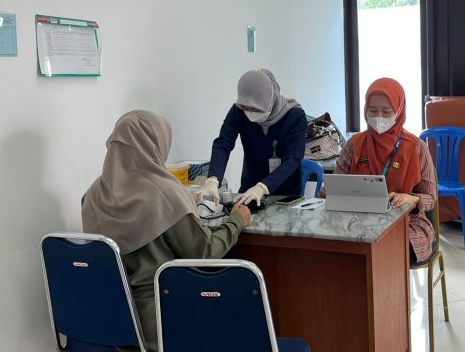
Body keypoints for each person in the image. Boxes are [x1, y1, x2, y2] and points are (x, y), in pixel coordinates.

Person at [81, 110, 251, 352]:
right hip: (165, 323)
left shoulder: (92, 195)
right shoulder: (163, 193)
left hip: (115, 323)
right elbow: (204, 252)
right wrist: (236, 221)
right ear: (154, 143)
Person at [333, 78, 437, 263]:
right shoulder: (355, 145)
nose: (379, 117)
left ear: (399, 111)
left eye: (386, 111)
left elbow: (431, 197)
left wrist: (410, 198)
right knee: (336, 248)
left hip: (406, 222)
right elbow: (335, 187)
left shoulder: (416, 147)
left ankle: (387, 283)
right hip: (357, 219)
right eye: (373, 110)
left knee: (388, 250)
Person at [195, 69, 307, 206]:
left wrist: (262, 187)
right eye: (246, 107)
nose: (250, 113)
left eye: (256, 109)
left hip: (285, 192)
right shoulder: (239, 111)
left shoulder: (294, 116)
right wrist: (212, 180)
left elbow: (293, 158)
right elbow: (223, 144)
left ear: (270, 99)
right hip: (249, 189)